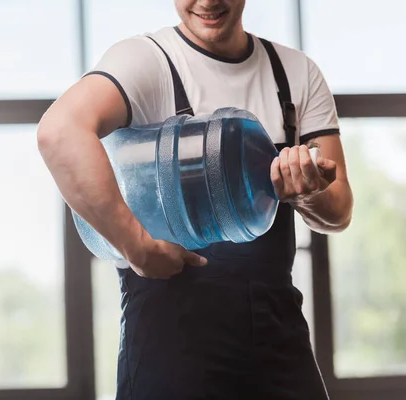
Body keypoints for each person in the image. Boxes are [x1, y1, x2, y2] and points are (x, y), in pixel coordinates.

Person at [37, 1, 354, 398]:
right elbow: (59, 131)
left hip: (278, 333)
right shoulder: (146, 60)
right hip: (172, 343)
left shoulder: (294, 72)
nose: (207, 1)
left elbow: (339, 210)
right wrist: (136, 247)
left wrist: (307, 191)